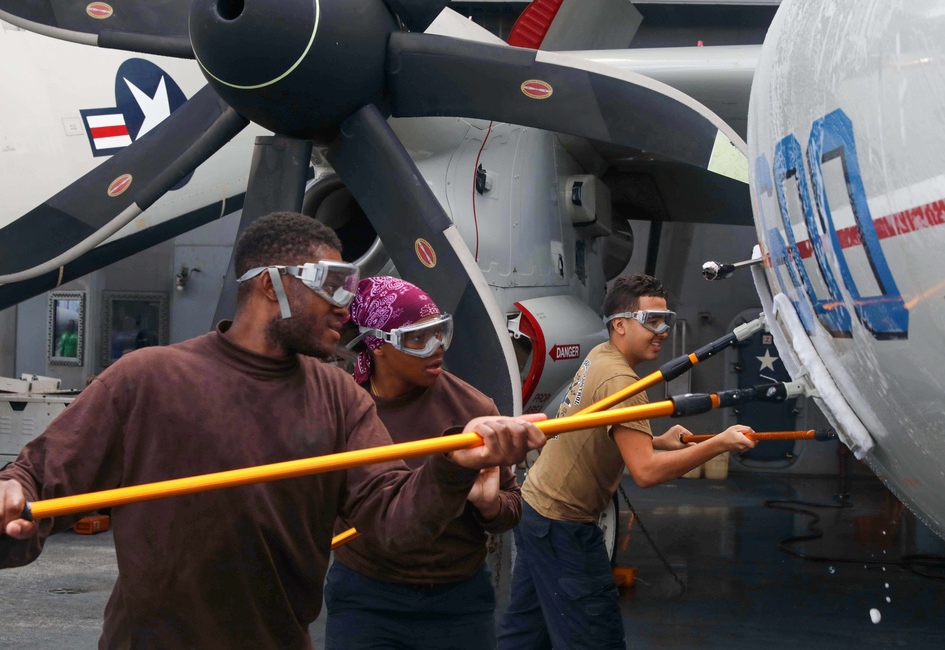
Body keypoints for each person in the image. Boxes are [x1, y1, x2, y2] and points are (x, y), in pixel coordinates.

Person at [0, 212, 546, 650]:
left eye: (349, 284)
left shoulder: (339, 398)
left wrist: (453, 467)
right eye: (331, 284)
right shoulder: (149, 377)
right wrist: (12, 499)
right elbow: (38, 478)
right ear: (269, 286)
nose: (345, 304)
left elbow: (393, 524)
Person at [497, 273, 756, 649]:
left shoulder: (599, 356)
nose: (663, 330)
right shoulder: (622, 383)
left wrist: (660, 440)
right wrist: (718, 443)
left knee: (525, 635)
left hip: (535, 508)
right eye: (652, 321)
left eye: (665, 319)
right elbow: (646, 472)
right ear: (619, 325)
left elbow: (606, 431)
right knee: (595, 639)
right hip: (562, 526)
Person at [324, 277, 521, 649]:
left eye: (440, 333)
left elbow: (512, 507)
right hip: (367, 598)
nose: (437, 349)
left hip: (459, 601)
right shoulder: (345, 409)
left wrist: (489, 504)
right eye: (417, 338)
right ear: (378, 345)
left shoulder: (473, 409)